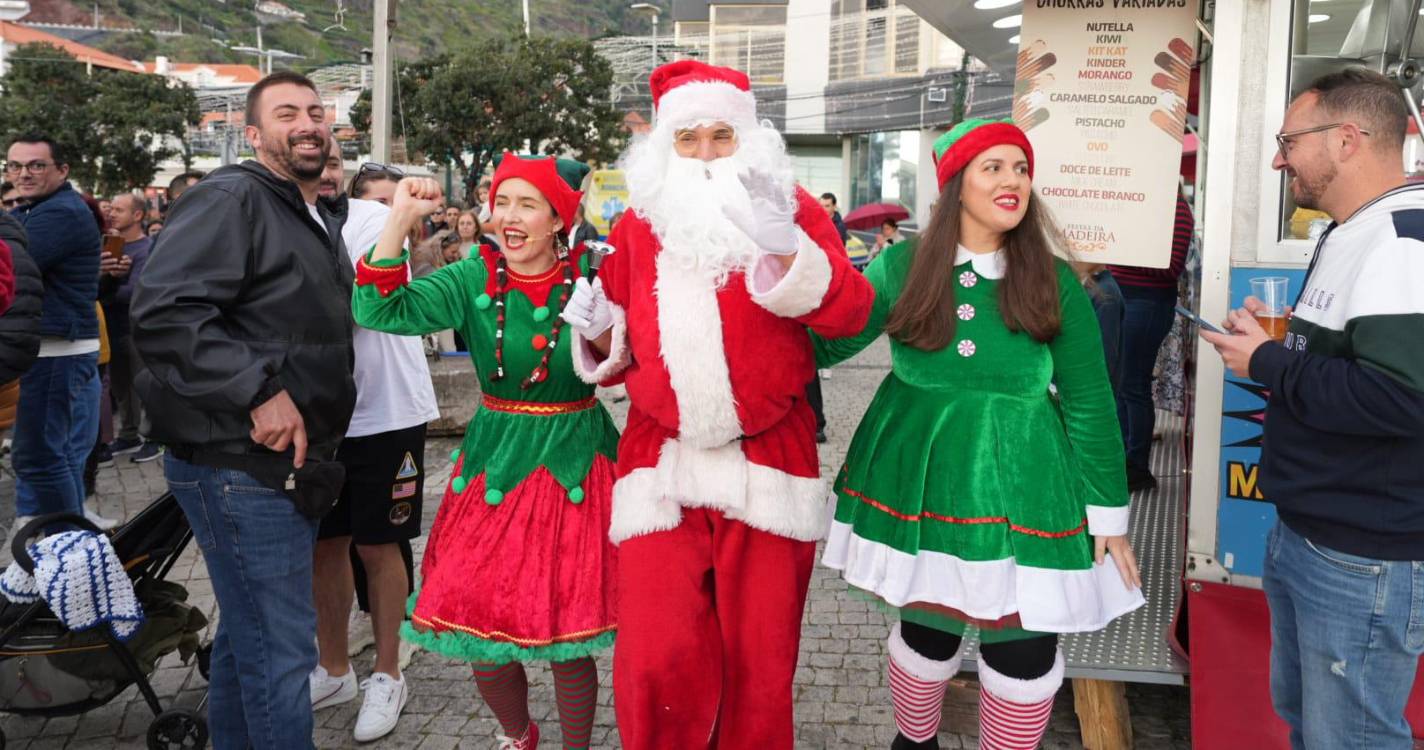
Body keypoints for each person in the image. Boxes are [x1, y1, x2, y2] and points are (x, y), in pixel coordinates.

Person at [562, 60, 872, 749]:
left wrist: (790, 252)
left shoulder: (790, 206)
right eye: (689, 138)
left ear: (749, 137)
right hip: (661, 465)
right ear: (665, 147)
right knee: (657, 655)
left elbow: (852, 315)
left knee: (760, 662)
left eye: (721, 136)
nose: (704, 153)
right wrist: (597, 331)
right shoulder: (641, 225)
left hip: (768, 459)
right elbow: (624, 342)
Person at [814, 119, 1144, 750]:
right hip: (922, 472)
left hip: (1027, 481)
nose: (1012, 180)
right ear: (955, 184)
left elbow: (1090, 401)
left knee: (1022, 640)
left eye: (1020, 168)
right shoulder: (902, 264)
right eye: (993, 167)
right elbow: (832, 342)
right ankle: (915, 744)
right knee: (927, 629)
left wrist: (1109, 517)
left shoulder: (1053, 278)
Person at [353, 155, 620, 750]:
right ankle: (518, 735)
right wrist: (399, 219)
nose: (509, 217)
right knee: (477, 623)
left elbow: (635, 361)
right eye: (502, 203)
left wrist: (606, 334)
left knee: (566, 633)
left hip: (575, 454)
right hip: (495, 456)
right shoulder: (473, 278)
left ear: (558, 219)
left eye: (527, 205)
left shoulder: (594, 277)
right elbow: (376, 309)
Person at [131, 72, 356, 750]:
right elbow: (164, 310)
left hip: (276, 462)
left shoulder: (304, 206)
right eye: (287, 113)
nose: (309, 122)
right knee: (282, 652)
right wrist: (257, 390)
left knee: (250, 636)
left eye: (316, 111)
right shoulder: (233, 196)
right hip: (239, 465)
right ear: (253, 135)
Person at [1201, 68, 1424, 750]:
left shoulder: (1402, 244)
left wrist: (1266, 363)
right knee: (1314, 729)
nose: (1278, 158)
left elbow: (1403, 400)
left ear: (1348, 140)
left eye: (1288, 141)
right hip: (1313, 535)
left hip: (1362, 557)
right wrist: (1278, 342)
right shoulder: (1351, 230)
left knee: (1349, 738)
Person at [309, 149, 438, 742]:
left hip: (386, 411)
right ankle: (334, 668)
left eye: (335, 161)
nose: (327, 172)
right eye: (319, 163)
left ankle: (388, 671)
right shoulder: (284, 218)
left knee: (379, 545)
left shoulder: (367, 217)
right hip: (321, 416)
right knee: (324, 545)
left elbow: (368, 290)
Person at [5, 135, 101, 535]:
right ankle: (59, 543)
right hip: (50, 348)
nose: (23, 173)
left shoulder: (59, 213)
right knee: (44, 456)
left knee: (42, 457)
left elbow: (11, 265)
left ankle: (72, 549)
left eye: (35, 165)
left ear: (62, 170)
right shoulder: (37, 210)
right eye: (14, 166)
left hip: (57, 350)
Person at [1107, 189, 1193, 492]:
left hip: (1147, 302)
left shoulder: (1176, 210)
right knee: (1120, 383)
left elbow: (1170, 268)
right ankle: (1123, 460)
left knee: (1132, 383)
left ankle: (1137, 466)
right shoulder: (1141, 201)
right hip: (1122, 298)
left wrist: (1118, 249)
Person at [101, 192, 160, 463]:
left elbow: (136, 291)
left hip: (139, 328)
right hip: (113, 327)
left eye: (119, 209)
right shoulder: (110, 246)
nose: (112, 213)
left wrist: (109, 283)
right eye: (110, 208)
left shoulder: (148, 249)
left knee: (145, 383)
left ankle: (154, 438)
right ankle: (128, 434)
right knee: (122, 385)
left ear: (138, 215)